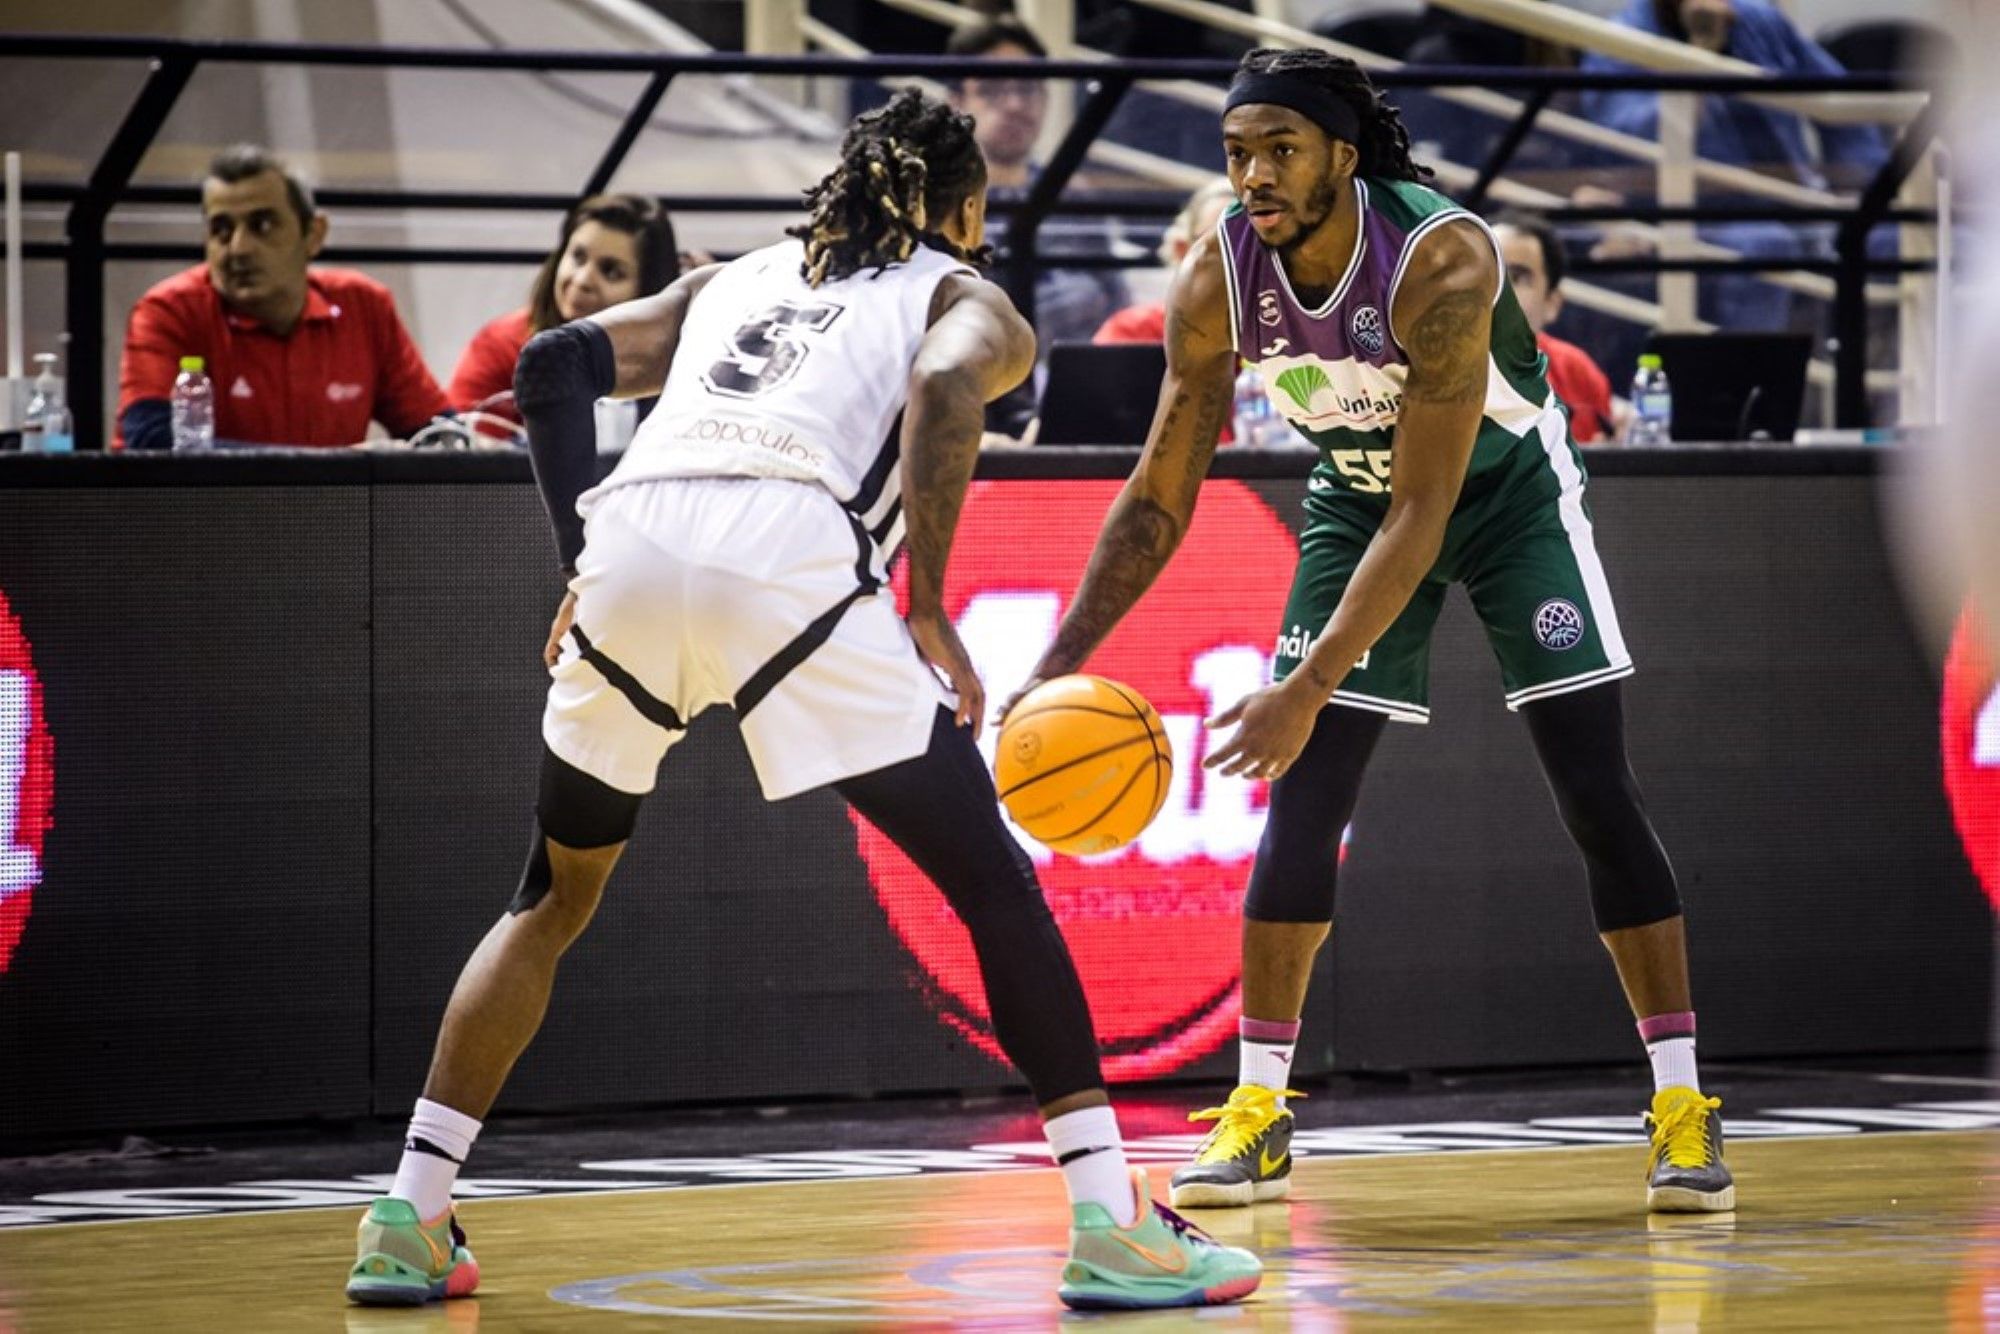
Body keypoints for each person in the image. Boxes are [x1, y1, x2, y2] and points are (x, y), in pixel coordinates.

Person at [341, 89, 1260, 1313]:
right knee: (990, 883)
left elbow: (551, 365)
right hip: (787, 554)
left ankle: (409, 1210)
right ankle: (1110, 1216)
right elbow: (941, 387)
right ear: (966, 207)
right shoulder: (966, 298)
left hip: (633, 543)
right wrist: (926, 597)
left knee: (549, 894)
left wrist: (581, 553)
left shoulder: (731, 278)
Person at [1009, 48, 1733, 1220]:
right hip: (1353, 497)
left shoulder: (1441, 258)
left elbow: (1427, 505)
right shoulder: (1214, 279)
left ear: (1343, 157)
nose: (1251, 174)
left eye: (1279, 149)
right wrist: (1055, 662)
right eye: (1235, 151)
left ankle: (1680, 1101)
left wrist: (1304, 683)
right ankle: (1256, 1110)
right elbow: (1157, 492)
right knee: (1304, 795)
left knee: (1591, 785)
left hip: (1501, 501)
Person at [118, 145, 448, 450]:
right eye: (221, 229)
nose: (238, 249)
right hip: (196, 514)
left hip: (329, 511)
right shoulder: (169, 310)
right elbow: (151, 440)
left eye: (262, 225)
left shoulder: (364, 305)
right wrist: (328, 471)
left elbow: (438, 432)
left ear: (314, 235)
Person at [948, 16, 1131, 436]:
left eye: (1028, 88)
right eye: (994, 89)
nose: (1015, 104)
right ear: (957, 101)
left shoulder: (1074, 197)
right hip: (984, 416)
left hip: (1088, 409)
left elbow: (1118, 307)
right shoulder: (942, 207)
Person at [446, 194, 680, 451]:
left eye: (611, 271)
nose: (582, 280)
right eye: (577, 258)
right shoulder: (501, 344)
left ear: (649, 291)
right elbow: (459, 454)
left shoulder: (682, 359)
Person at [1493, 213, 1624, 444]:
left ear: (1551, 303)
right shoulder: (1425, 371)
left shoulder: (1579, 372)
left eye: (1516, 277)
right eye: (1488, 272)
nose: (1498, 288)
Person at [1094, 177, 1235, 345]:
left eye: (1256, 243)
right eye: (1218, 242)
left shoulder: (1270, 341)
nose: (1239, 256)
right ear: (1183, 250)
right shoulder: (1133, 333)